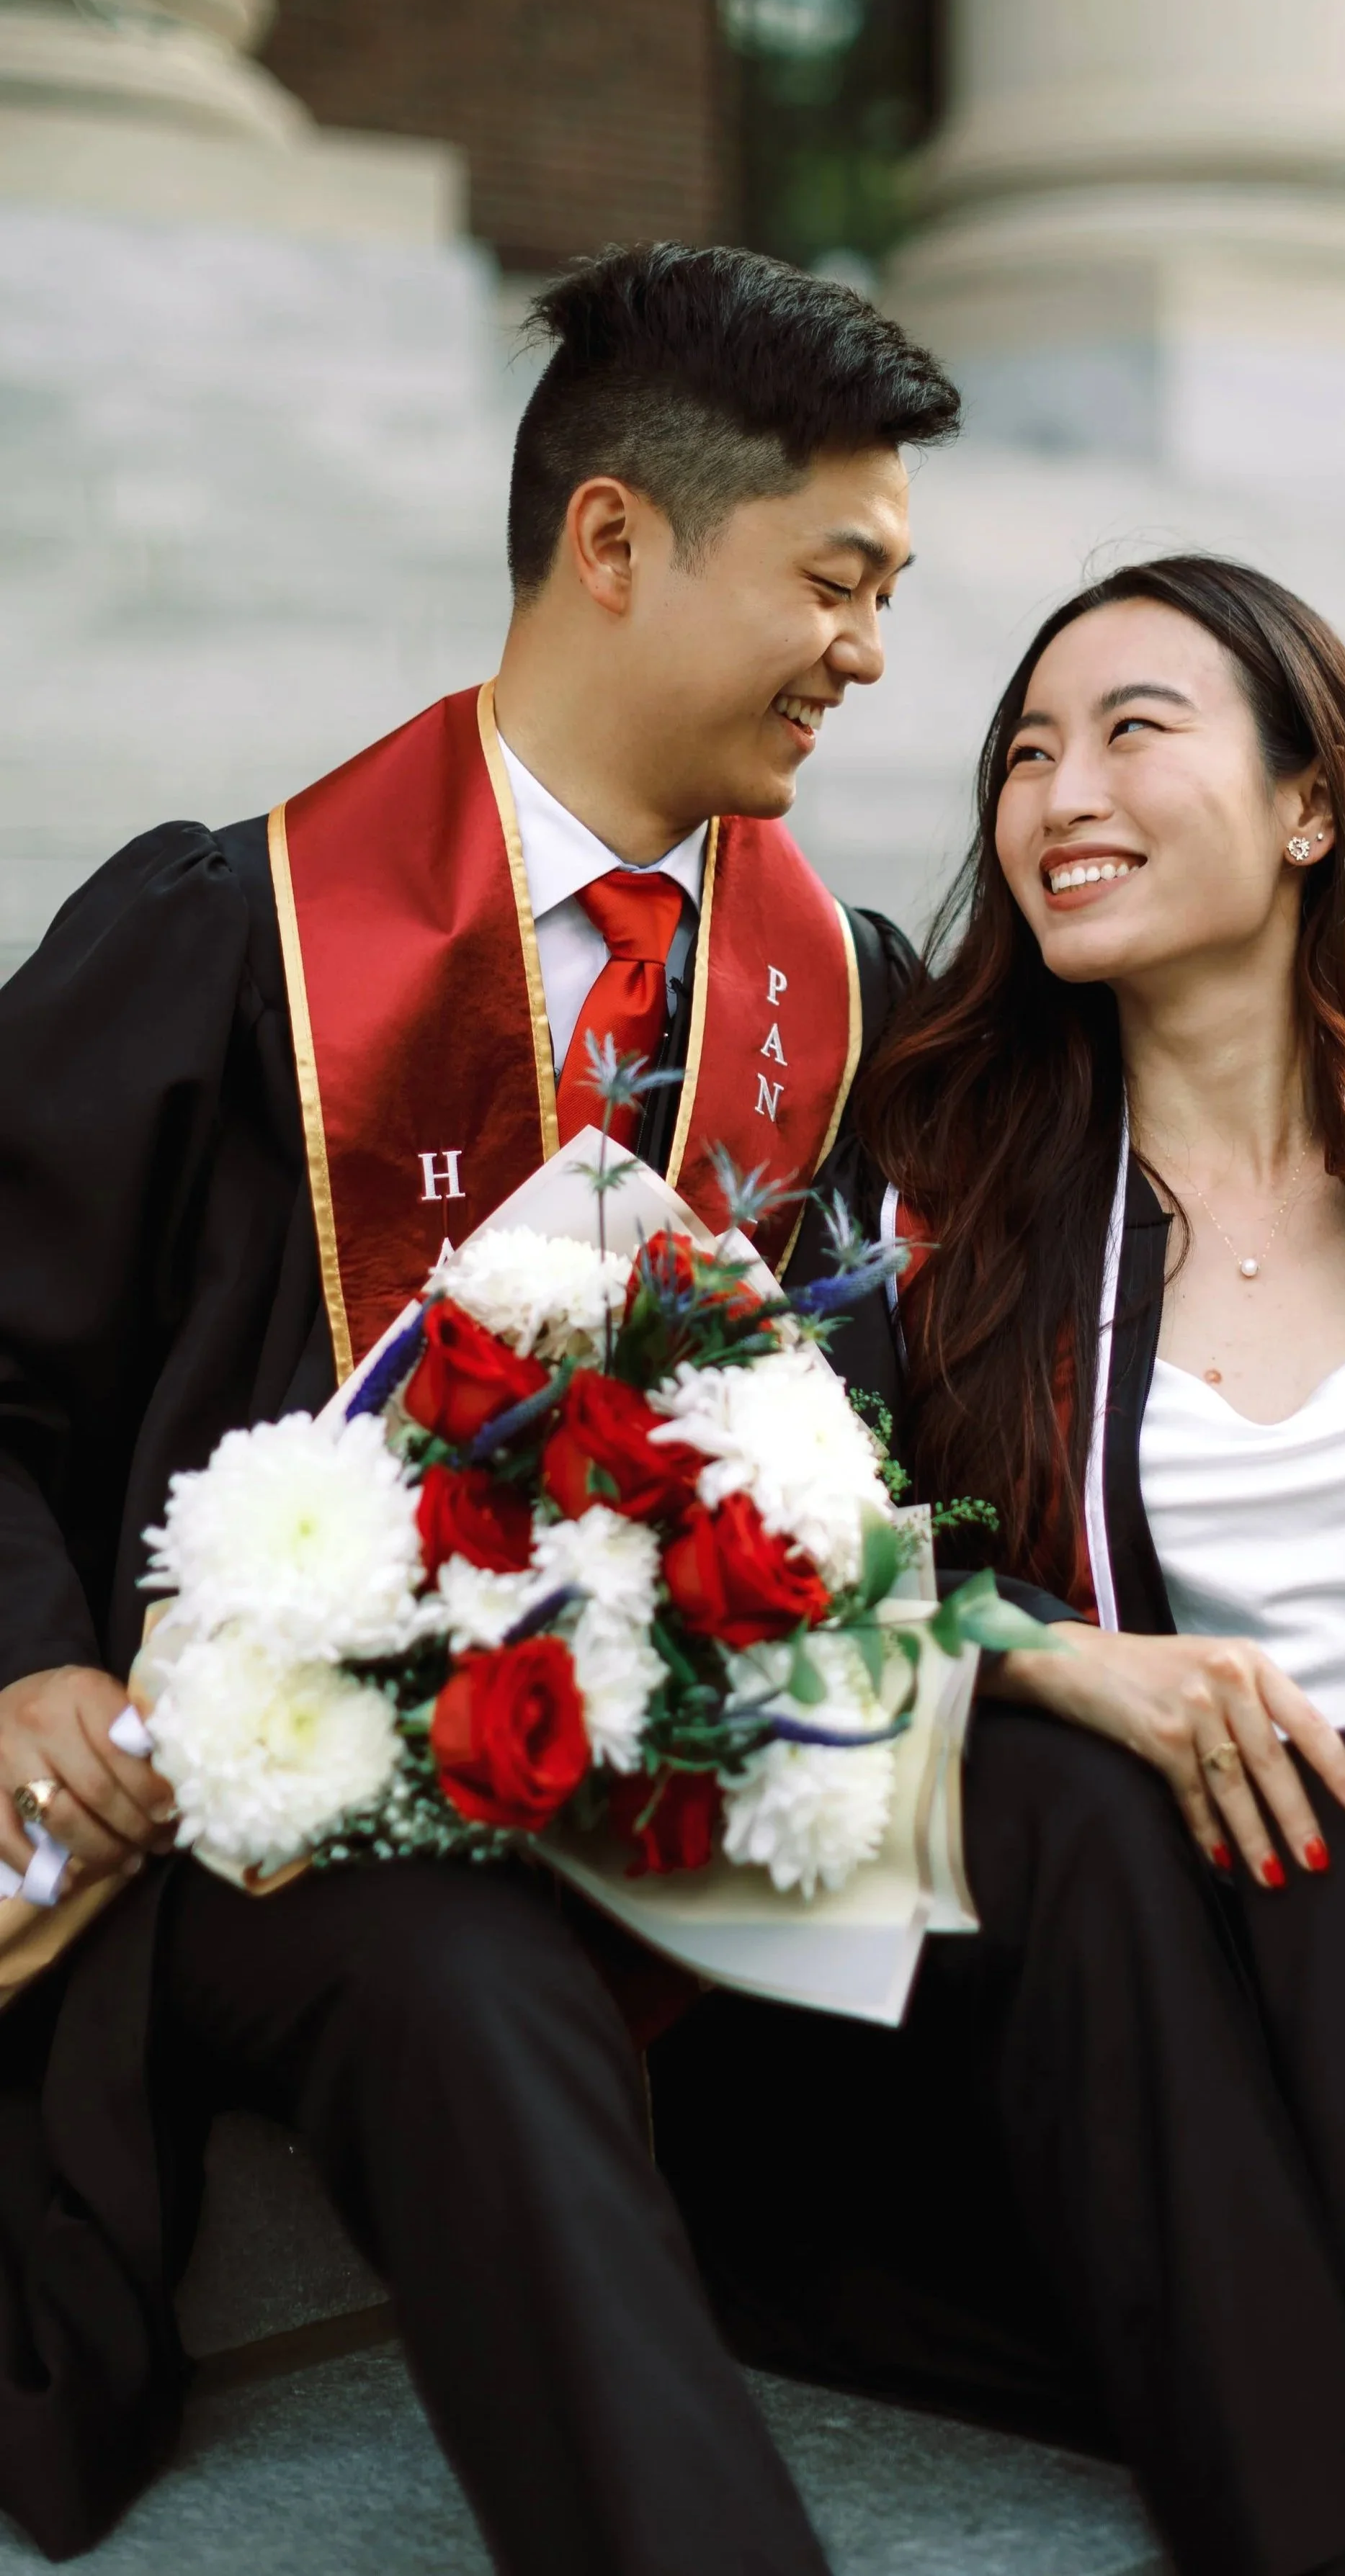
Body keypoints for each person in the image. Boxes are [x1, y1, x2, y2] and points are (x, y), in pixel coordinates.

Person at [651, 555, 1345, 2575]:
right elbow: (806, 1567)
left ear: (1309, 803)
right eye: (1025, 754)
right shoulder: (922, 1189)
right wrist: (1051, 1654)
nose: (1060, 795)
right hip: (1187, 1944)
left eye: (1131, 733)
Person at [0, 241, 957, 2567]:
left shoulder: (834, 999)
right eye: (835, 580)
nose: (866, 650)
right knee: (459, 1974)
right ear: (613, 539)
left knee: (1078, 1819)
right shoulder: (234, 938)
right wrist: (21, 1662)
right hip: (282, 1820)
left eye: (885, 595)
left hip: (689, 1792)